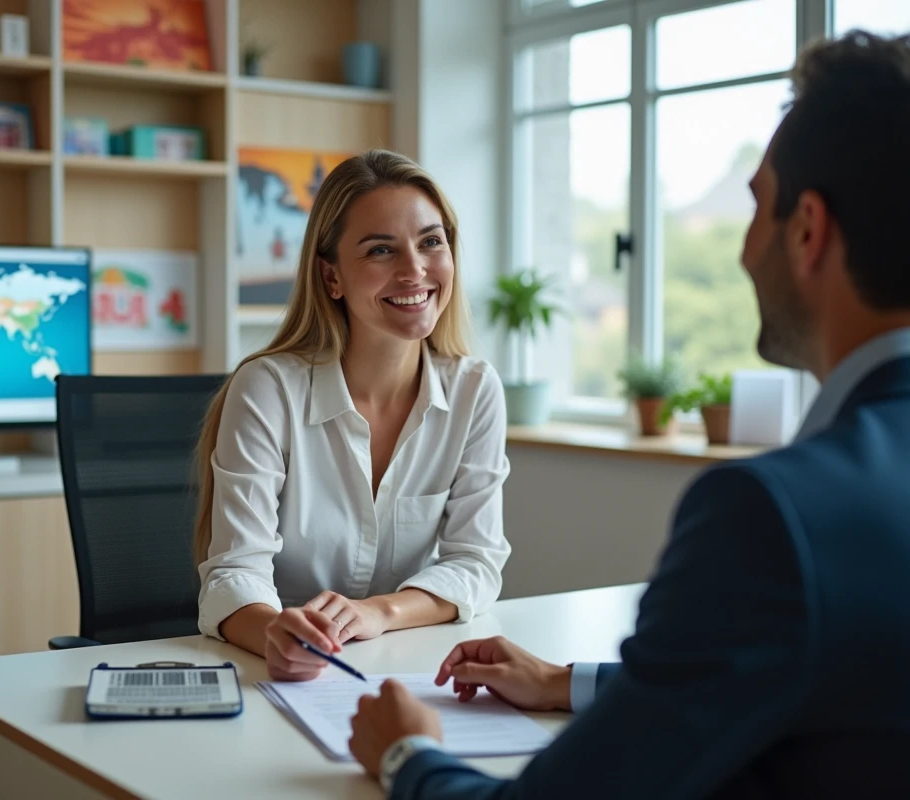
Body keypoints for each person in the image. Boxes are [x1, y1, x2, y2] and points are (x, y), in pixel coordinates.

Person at [349, 29, 910, 799]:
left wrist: (405, 755)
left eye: (757, 208)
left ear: (808, 231)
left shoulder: (776, 518)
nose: (744, 250)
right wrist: (566, 682)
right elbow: (814, 674)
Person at [196, 150, 512, 681]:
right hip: (282, 674)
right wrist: (276, 633)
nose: (414, 270)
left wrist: (379, 613)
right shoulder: (268, 390)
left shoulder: (474, 390)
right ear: (332, 276)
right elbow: (233, 572)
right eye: (380, 250)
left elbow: (475, 563)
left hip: (405, 667)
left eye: (431, 242)